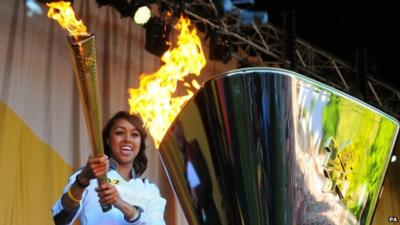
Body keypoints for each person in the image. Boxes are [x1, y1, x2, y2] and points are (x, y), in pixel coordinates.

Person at [52, 111, 166, 225]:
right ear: (107, 139)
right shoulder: (88, 176)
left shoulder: (149, 189)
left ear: (140, 143)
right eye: (120, 132)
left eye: (135, 134)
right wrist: (83, 180)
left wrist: (121, 204)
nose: (128, 139)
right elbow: (61, 219)